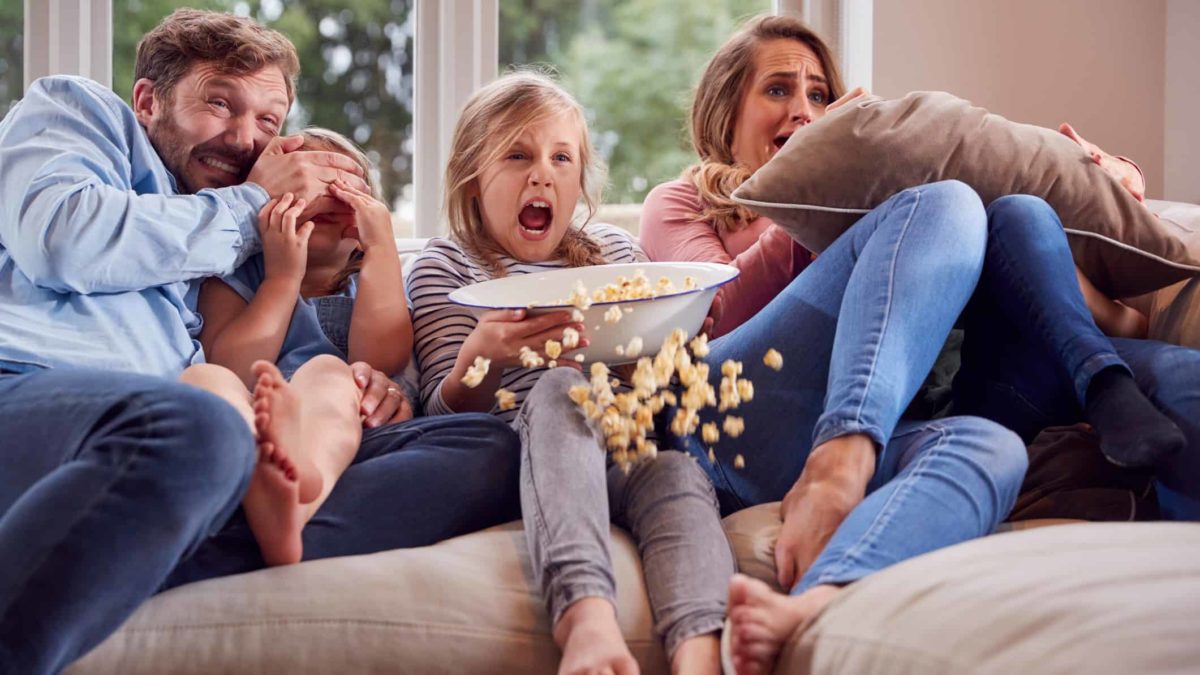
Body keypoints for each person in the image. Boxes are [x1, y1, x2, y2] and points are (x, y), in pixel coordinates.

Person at [638, 14, 1198, 674]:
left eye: (819, 95)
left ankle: (821, 594)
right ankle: (837, 459)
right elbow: (719, 311)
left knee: (992, 449)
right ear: (723, 110)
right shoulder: (679, 199)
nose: (804, 108)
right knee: (945, 204)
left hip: (886, 416)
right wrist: (808, 186)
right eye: (779, 90)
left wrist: (1104, 172)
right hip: (738, 406)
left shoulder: (881, 201)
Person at [0, 11, 518, 674]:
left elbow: (305, 377)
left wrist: (364, 392)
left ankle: (135, 547)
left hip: (178, 458)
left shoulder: (252, 247)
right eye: (220, 103)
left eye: (268, 122)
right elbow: (62, 239)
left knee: (487, 448)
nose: (244, 138)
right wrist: (248, 204)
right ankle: (150, 535)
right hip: (33, 393)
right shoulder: (82, 115)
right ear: (148, 101)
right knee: (202, 423)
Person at [408, 71, 736, 675]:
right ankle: (586, 618)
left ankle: (701, 655)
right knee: (563, 384)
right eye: (517, 154)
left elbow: (652, 382)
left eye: (563, 157)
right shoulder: (445, 268)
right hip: (522, 458)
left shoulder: (616, 257)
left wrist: (679, 338)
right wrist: (484, 354)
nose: (543, 173)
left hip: (622, 449)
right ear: (471, 179)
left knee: (674, 471)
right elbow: (441, 414)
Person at [179, 127, 411, 567]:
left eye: (343, 187)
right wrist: (282, 278)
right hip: (246, 414)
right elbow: (234, 367)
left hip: (331, 428)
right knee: (202, 377)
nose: (325, 196)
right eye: (303, 182)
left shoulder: (370, 281)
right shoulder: (234, 278)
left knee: (330, 371)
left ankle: (292, 499)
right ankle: (268, 479)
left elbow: (379, 361)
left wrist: (382, 247)